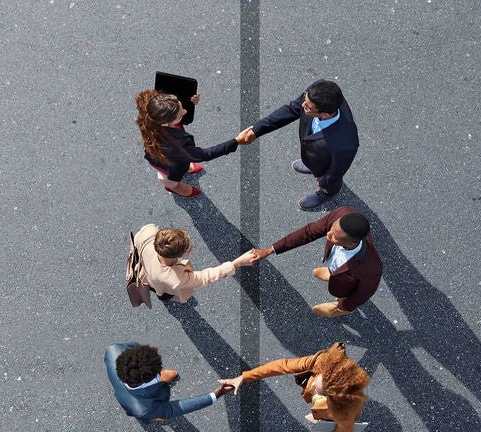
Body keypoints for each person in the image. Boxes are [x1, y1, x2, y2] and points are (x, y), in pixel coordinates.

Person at [234, 78, 358, 210]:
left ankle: (327, 193)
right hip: (315, 154)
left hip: (325, 164)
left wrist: (323, 180)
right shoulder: (316, 94)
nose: (302, 105)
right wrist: (256, 130)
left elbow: (337, 170)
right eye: (304, 100)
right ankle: (310, 164)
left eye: (308, 107)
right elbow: (291, 109)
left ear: (325, 115)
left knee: (331, 182)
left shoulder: (346, 144)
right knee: (312, 159)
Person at [247, 207, 382, 317]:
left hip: (348, 287)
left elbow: (363, 294)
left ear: (351, 243)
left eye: (335, 236)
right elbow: (308, 232)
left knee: (345, 300)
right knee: (336, 270)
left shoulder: (371, 267)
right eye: (331, 229)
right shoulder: (342, 214)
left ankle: (339, 310)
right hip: (340, 269)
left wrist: (345, 305)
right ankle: (332, 273)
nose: (328, 235)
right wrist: (270, 250)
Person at [224, 342, 370, 432]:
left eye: (320, 390)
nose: (312, 386)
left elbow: (344, 431)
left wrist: (332, 428)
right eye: (317, 379)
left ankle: (322, 416)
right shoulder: (322, 361)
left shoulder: (347, 409)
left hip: (340, 411)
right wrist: (245, 377)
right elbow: (283, 365)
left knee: (332, 415)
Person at [136, 89, 241, 197]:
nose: (185, 111)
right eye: (180, 115)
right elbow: (204, 154)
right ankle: (172, 187)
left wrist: (190, 99)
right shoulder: (175, 145)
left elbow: (171, 102)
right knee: (167, 177)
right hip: (166, 162)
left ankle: (184, 168)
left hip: (168, 156)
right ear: (165, 122)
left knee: (180, 163)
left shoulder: (153, 110)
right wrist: (236, 141)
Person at [130, 224, 265, 304]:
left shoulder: (150, 233)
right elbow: (205, 277)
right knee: (166, 295)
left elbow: (137, 240)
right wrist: (238, 262)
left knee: (158, 287)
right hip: (163, 283)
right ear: (177, 256)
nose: (193, 246)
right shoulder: (176, 279)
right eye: (189, 248)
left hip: (147, 270)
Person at [105, 343, 230, 423]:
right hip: (143, 409)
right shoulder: (145, 409)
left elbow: (134, 347)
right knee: (149, 415)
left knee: (136, 411)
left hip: (126, 396)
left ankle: (152, 417)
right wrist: (215, 395)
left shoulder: (112, 351)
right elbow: (176, 408)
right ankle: (151, 419)